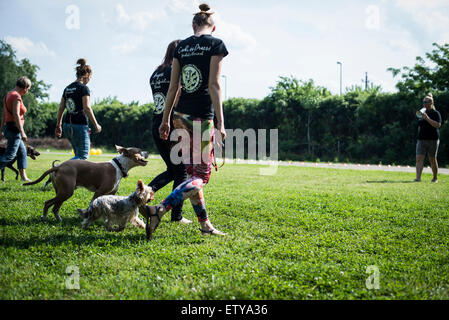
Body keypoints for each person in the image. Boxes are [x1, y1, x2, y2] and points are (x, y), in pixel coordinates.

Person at [145, 3, 228, 237]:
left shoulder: (181, 47)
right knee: (200, 177)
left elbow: (174, 87)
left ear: (194, 25)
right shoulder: (216, 44)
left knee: (192, 176)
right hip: (202, 117)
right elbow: (214, 84)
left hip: (180, 117)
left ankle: (205, 225)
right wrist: (220, 123)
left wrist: (165, 120)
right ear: (213, 27)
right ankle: (158, 209)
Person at [148, 40, 192, 225]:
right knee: (181, 172)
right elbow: (177, 95)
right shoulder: (176, 70)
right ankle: (177, 216)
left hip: (156, 122)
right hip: (172, 123)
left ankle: (145, 192)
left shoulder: (155, 73)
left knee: (172, 170)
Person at [55, 58, 101, 159]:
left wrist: (58, 124)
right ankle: (59, 170)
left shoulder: (67, 88)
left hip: (67, 124)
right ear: (87, 75)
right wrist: (96, 124)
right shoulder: (83, 88)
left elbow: (61, 108)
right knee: (83, 157)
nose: (89, 80)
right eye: (90, 77)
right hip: (79, 125)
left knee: (77, 155)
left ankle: (69, 173)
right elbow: (87, 108)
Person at [0, 76, 32, 181]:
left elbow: (4, 115)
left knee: (22, 152)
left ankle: (23, 177)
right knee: (10, 155)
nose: (27, 91)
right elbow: (16, 114)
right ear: (25, 87)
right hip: (14, 129)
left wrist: (1, 130)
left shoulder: (8, 95)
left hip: (7, 127)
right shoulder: (16, 97)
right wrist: (22, 132)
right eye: (28, 89)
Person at [415, 93, 442, 183]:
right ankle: (418, 178)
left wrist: (427, 118)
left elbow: (438, 125)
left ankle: (435, 178)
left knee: (432, 159)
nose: (424, 103)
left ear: (431, 103)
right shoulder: (421, 114)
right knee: (419, 158)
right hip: (421, 139)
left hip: (433, 140)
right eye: (423, 102)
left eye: (427, 101)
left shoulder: (435, 113)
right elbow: (419, 127)